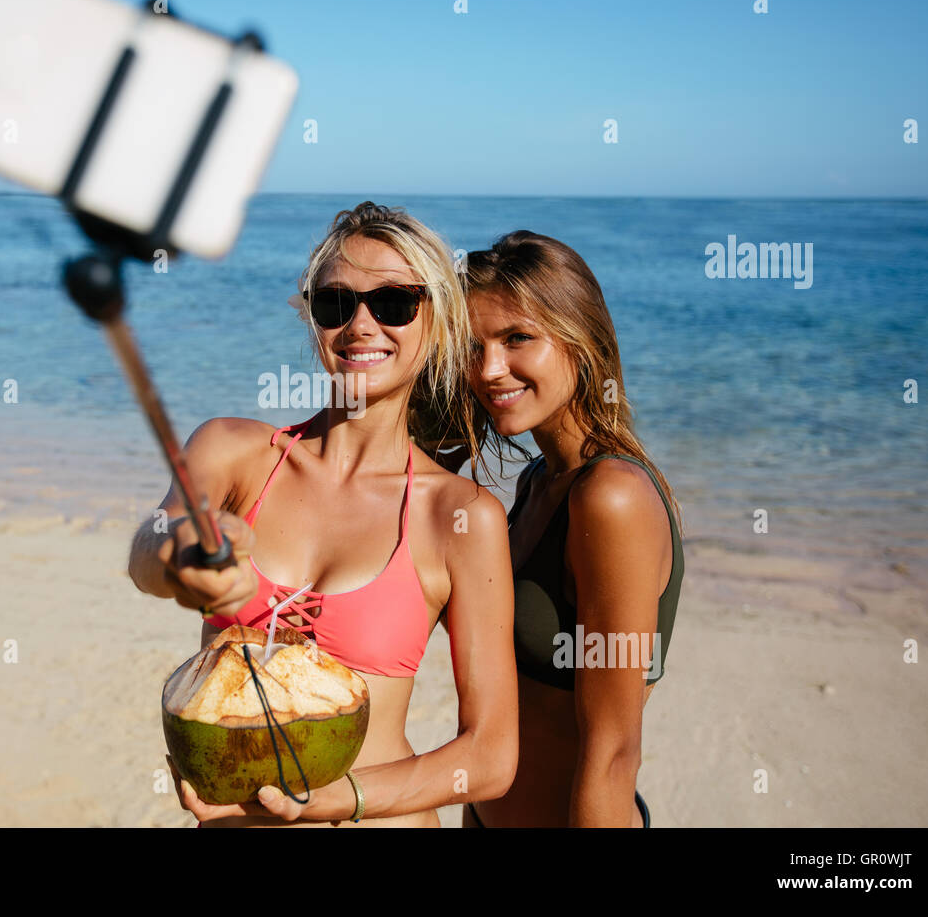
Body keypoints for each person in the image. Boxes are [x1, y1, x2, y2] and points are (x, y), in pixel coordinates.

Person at [127, 201, 517, 827]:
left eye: (393, 302)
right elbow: (147, 551)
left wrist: (339, 800)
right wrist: (180, 554)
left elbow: (491, 757)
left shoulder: (458, 515)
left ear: (437, 322)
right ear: (312, 317)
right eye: (337, 302)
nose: (362, 325)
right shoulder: (235, 452)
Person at [449, 231, 683, 827]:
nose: (489, 370)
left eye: (517, 338)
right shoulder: (536, 483)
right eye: (472, 349)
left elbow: (613, 752)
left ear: (580, 339)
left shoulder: (612, 499)